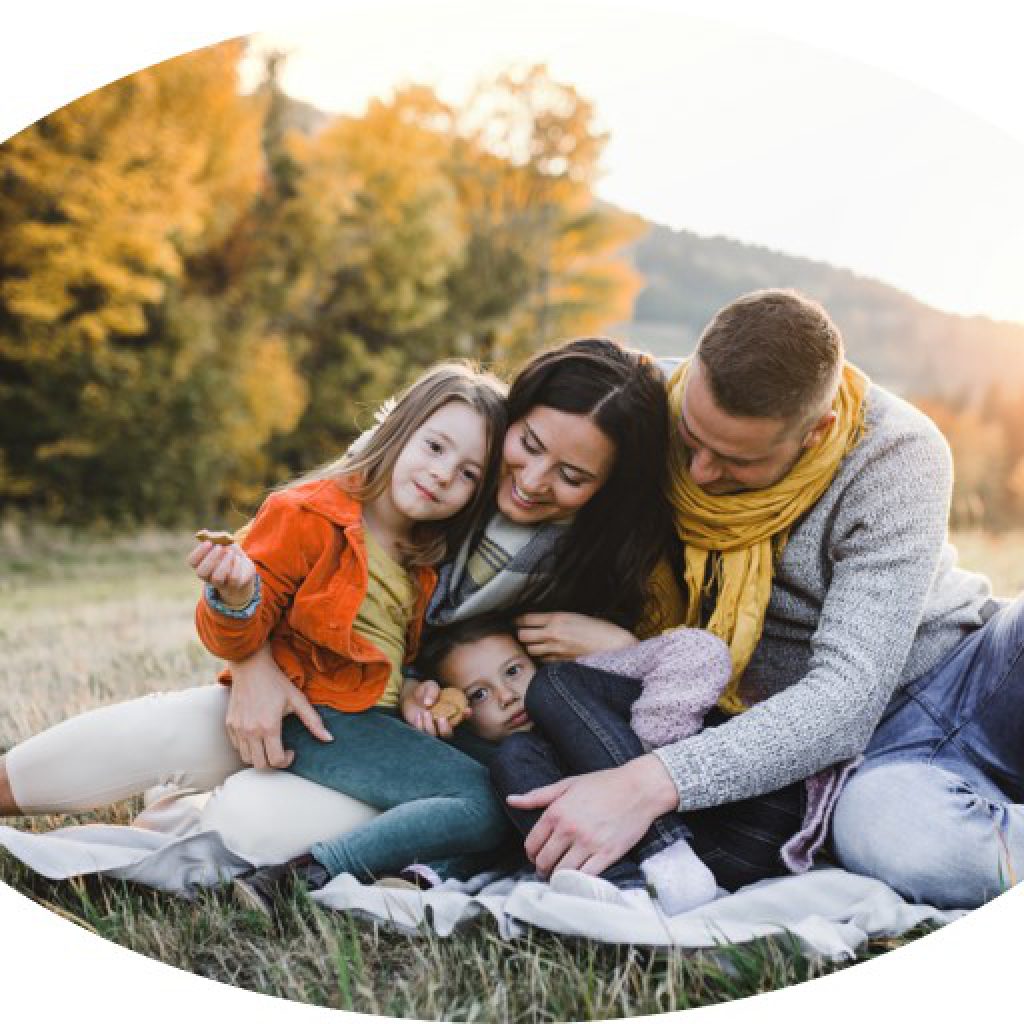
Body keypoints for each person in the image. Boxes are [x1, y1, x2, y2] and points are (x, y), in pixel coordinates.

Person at [0, 339, 676, 871]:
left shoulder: (562, 555)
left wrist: (610, 650)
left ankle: (199, 821)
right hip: (316, 703)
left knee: (252, 824)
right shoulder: (415, 466)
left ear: (606, 488)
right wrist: (253, 665)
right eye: (526, 447)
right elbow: (260, 577)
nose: (532, 480)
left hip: (391, 735)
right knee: (169, 729)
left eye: (572, 475)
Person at [504, 289, 1021, 910]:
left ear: (815, 431)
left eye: (735, 460)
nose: (699, 472)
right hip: (873, 763)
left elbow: (846, 697)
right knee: (910, 847)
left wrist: (650, 784)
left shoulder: (895, 452)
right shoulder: (642, 406)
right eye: (691, 439)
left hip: (975, 668)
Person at [235, 614, 732, 916]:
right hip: (307, 726)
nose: (508, 696)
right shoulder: (482, 754)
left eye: (514, 671)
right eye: (479, 694)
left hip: (666, 836)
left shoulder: (582, 715)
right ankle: (311, 874)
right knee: (495, 799)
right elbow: (481, 832)